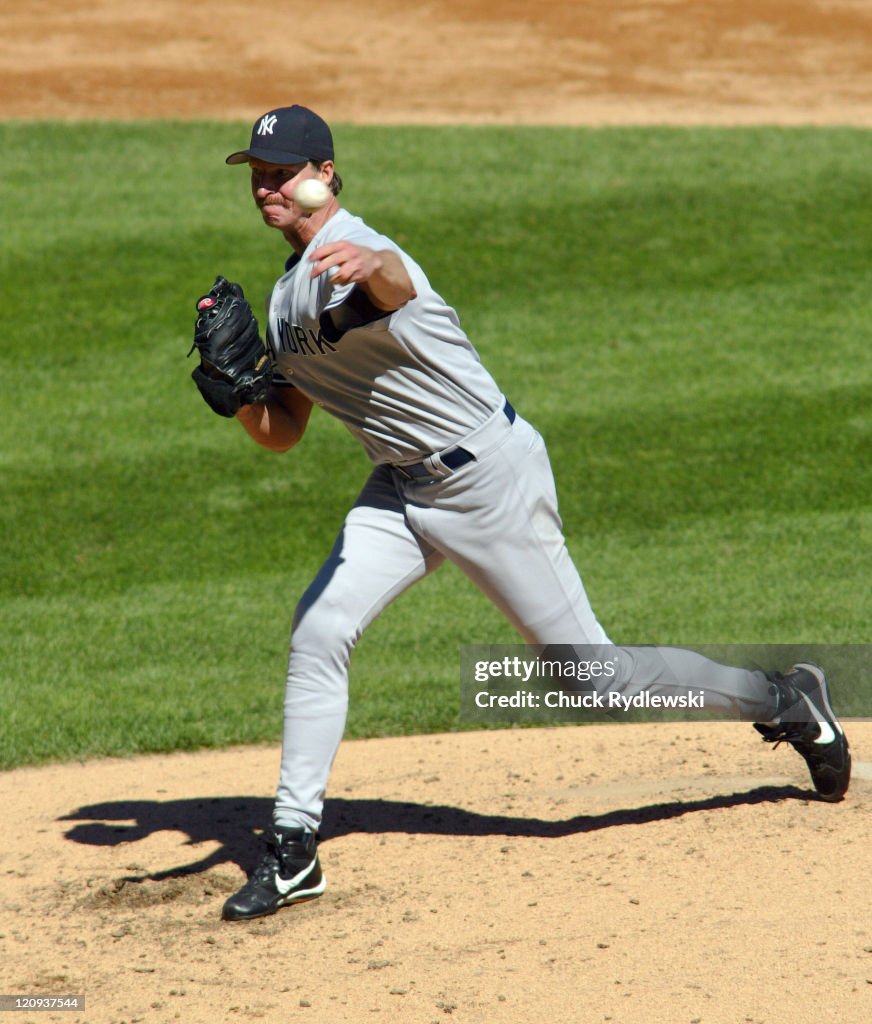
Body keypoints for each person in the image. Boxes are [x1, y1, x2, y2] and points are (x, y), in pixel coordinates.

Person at [202, 105, 851, 922]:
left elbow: (393, 284)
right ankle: (293, 846)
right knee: (320, 631)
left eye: (284, 170)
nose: (268, 185)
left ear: (325, 175)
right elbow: (285, 431)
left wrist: (370, 260)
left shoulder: (367, 254)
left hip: (489, 483)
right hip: (400, 491)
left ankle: (786, 697)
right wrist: (237, 404)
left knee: (596, 681)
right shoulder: (286, 298)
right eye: (258, 173)